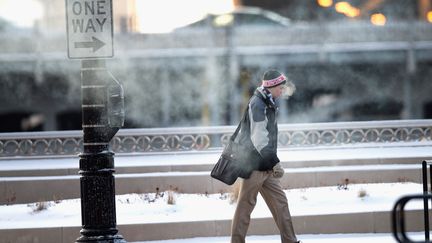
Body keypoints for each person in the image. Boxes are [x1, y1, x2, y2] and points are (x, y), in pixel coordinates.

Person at [231, 69, 300, 243]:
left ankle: (290, 241)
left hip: (265, 166)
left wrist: (271, 163)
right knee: (244, 209)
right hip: (254, 166)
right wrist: (275, 163)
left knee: (280, 204)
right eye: (280, 87)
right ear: (271, 86)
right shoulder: (258, 103)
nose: (282, 90)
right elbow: (259, 138)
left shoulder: (267, 101)